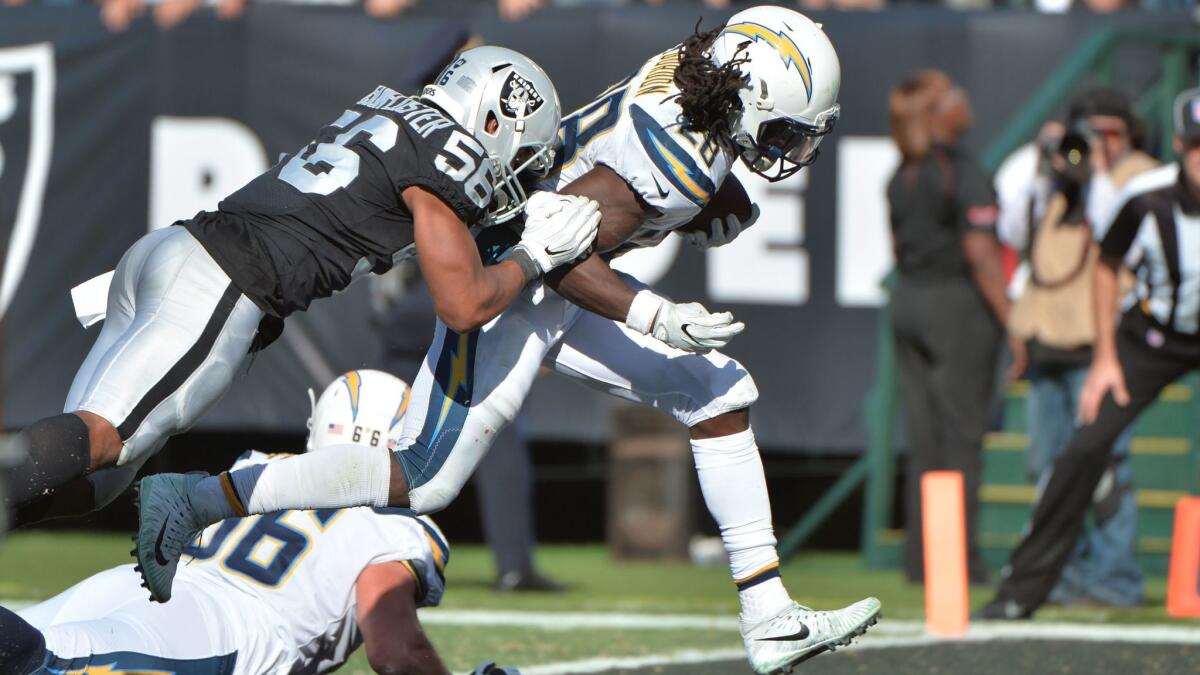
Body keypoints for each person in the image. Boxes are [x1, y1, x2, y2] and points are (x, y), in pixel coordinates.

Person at [140, 8, 881, 674]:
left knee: (720, 391)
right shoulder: (674, 159)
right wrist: (654, 314)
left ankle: (769, 615)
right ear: (749, 95)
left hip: (544, 269)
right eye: (785, 128)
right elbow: (555, 250)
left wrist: (713, 205)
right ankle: (197, 499)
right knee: (422, 477)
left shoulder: (693, 86)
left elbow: (618, 190)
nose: (788, 148)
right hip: (515, 280)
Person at [0, 46, 601, 526]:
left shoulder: (389, 109)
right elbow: (464, 304)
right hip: (223, 283)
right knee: (103, 439)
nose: (514, 170)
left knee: (94, 481)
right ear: (491, 119)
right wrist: (532, 257)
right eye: (519, 151)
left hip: (171, 252)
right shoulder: (450, 154)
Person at [0, 370, 520, 675]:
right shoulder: (391, 523)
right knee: (43, 664)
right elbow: (395, 650)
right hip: (218, 630)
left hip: (132, 589)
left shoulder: (259, 466)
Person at [977, 88, 1200, 619]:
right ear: (1178, 146)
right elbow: (1105, 263)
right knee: (1084, 447)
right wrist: (1105, 358)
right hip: (1153, 335)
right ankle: (1020, 592)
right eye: (1197, 148)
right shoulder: (1149, 195)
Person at [1001, 88, 1157, 607]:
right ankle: (1061, 575)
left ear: (1131, 134)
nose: (1100, 143)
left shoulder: (1139, 177)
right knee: (1048, 467)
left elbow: (1123, 232)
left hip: (1101, 344)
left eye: (1113, 133)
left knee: (1107, 467)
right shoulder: (1051, 181)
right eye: (1093, 132)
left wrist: (1098, 172)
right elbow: (1013, 231)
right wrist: (1045, 165)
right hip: (1048, 341)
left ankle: (1113, 579)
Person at [886, 70, 1019, 586]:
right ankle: (960, 562)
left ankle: (923, 562)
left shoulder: (901, 175)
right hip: (956, 309)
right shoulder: (961, 172)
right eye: (959, 96)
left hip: (909, 303)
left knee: (925, 440)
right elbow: (982, 256)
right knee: (963, 437)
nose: (968, 102)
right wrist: (1015, 324)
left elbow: (897, 249)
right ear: (940, 114)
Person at [378, 268, 565, 592]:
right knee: (395, 456)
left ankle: (376, 557)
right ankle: (514, 568)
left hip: (436, 321)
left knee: (495, 449)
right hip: (440, 321)